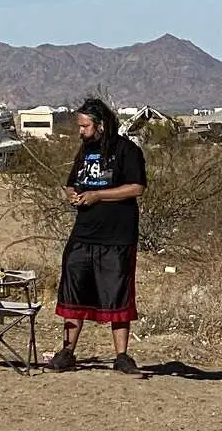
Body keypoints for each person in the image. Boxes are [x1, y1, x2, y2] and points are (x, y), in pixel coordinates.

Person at [47, 98, 147, 373]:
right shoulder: (84, 151)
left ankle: (122, 356)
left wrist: (98, 195)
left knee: (118, 292)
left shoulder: (127, 150)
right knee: (73, 289)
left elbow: (136, 188)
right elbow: (70, 184)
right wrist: (73, 195)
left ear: (101, 125)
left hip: (117, 236)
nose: (80, 131)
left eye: (85, 125)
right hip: (83, 234)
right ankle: (67, 352)